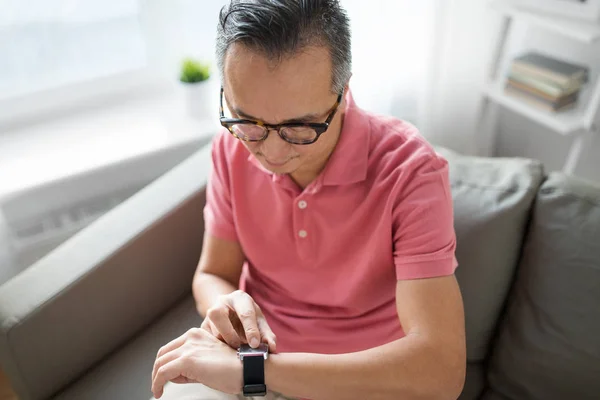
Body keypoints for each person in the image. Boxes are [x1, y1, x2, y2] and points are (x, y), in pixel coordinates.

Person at [151, 1, 466, 399]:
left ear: (344, 91)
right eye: (246, 121)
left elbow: (441, 369)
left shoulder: (410, 171)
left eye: (299, 128)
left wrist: (255, 372)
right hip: (252, 361)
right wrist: (226, 305)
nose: (271, 153)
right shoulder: (230, 150)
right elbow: (213, 273)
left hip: (363, 381)